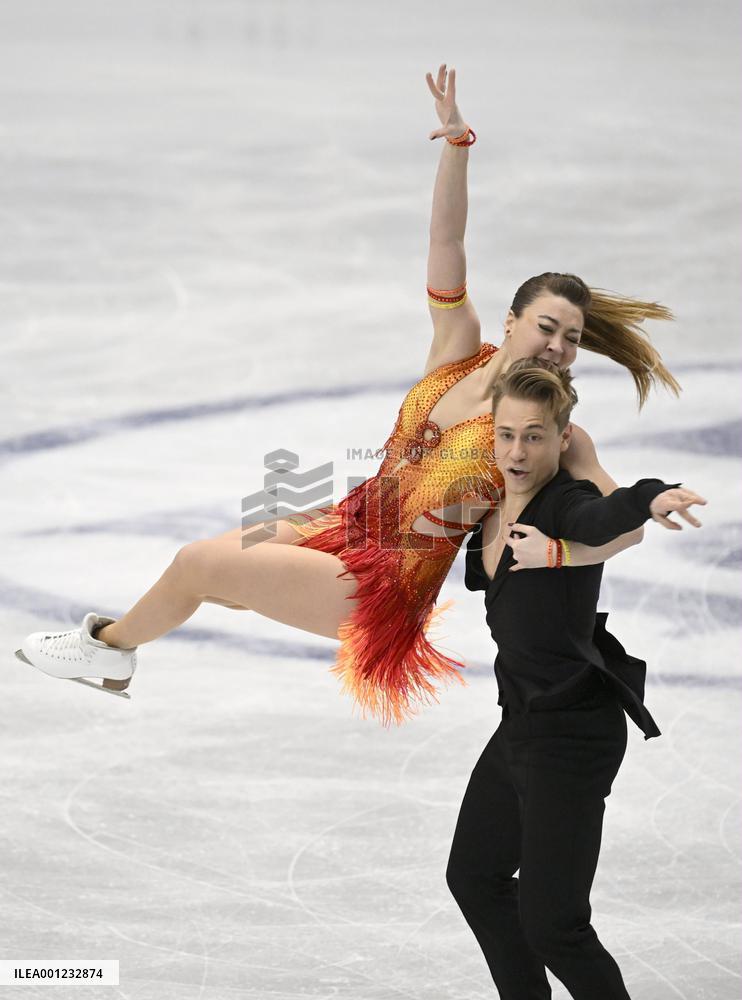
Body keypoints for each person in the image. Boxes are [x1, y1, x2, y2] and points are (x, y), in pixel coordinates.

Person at [14, 65, 680, 727]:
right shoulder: (458, 345)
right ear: (511, 323)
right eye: (548, 327)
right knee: (217, 578)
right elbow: (445, 241)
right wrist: (457, 146)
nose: (560, 346)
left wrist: (562, 552)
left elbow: (623, 526)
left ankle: (105, 650)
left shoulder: (555, 434)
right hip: (347, 523)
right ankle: (111, 649)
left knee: (194, 565)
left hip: (382, 585)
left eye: (572, 338)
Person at [447, 357, 706, 1000]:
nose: (517, 450)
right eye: (507, 434)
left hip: (572, 737)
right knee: (476, 877)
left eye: (534, 435)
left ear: (562, 439)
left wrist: (650, 497)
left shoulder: (565, 504)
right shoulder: (486, 506)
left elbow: (606, 515)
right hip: (521, 727)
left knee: (554, 925)